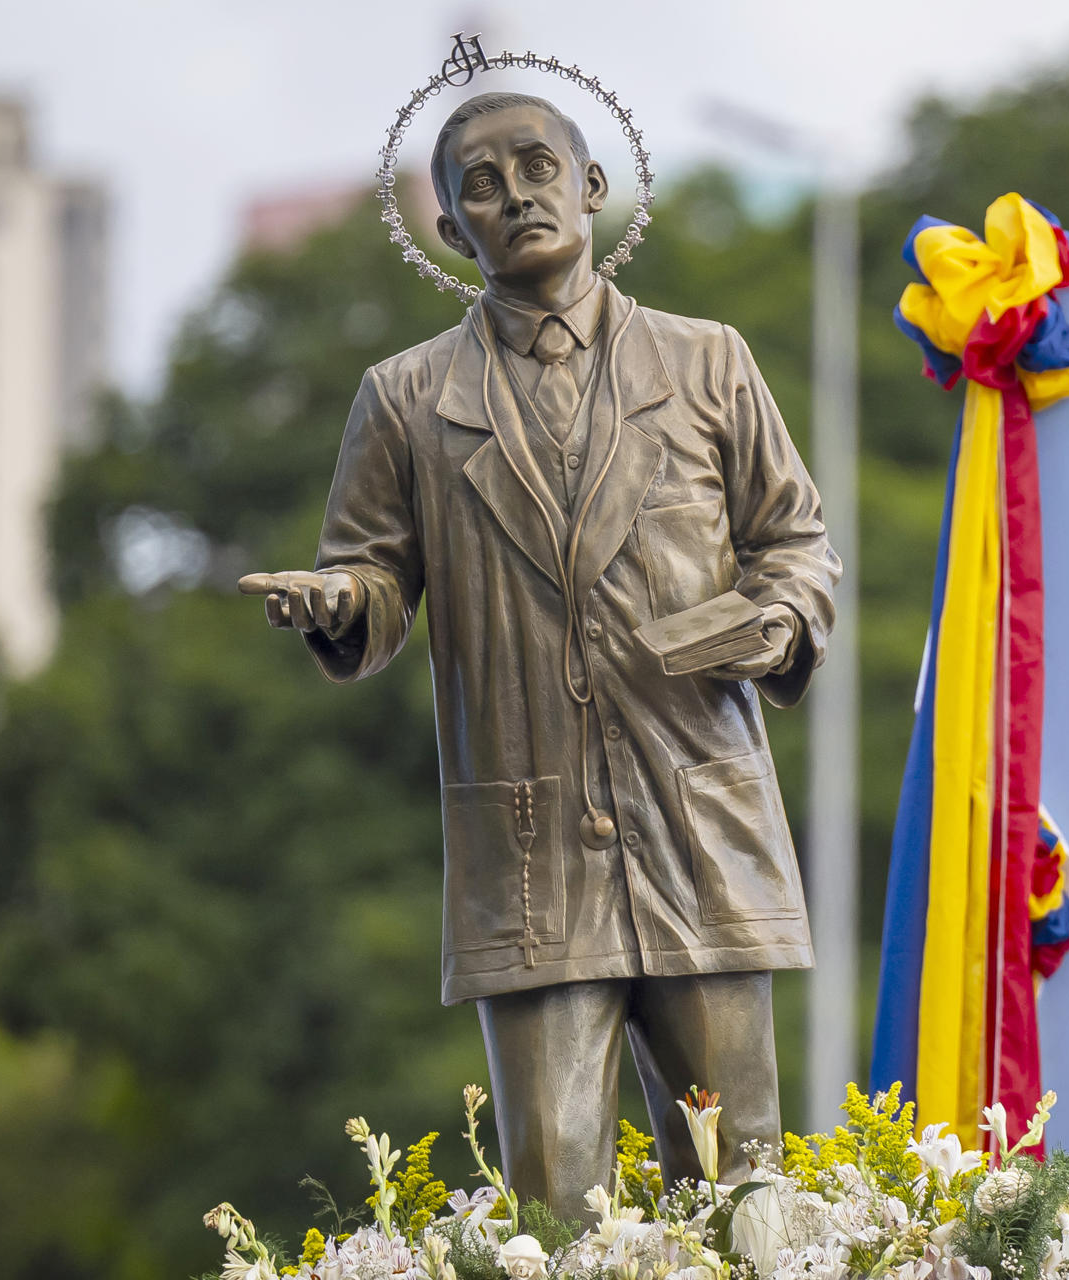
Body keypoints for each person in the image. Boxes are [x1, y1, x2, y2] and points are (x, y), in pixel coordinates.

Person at [238, 91, 839, 1222]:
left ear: (592, 184)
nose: (514, 194)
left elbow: (797, 539)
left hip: (700, 811)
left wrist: (781, 613)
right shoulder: (407, 399)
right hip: (529, 843)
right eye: (478, 182)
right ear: (452, 233)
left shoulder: (709, 363)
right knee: (556, 1207)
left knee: (744, 1189)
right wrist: (335, 599)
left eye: (536, 165)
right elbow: (371, 577)